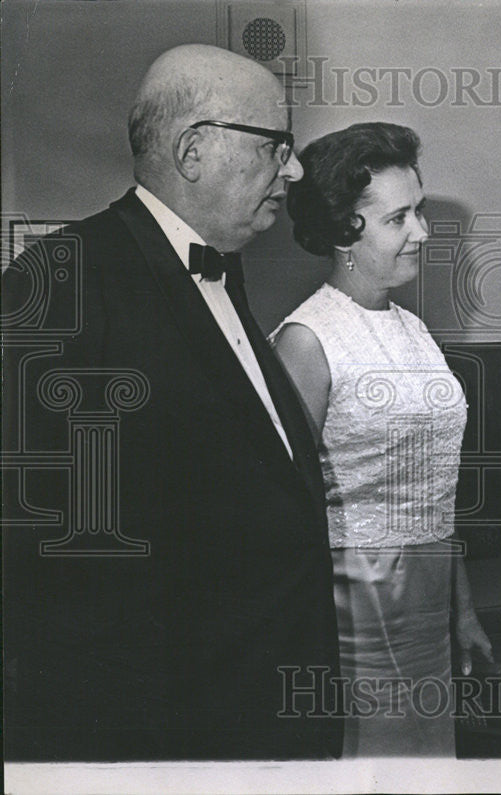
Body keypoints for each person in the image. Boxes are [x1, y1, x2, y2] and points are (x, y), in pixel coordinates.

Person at [1, 44, 342, 760]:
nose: (296, 169)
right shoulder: (63, 280)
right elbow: (42, 561)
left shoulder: (224, 273)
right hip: (171, 733)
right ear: (194, 150)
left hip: (260, 713)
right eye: (277, 145)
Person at [272, 122, 493, 757]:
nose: (422, 231)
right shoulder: (306, 340)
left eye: (419, 211)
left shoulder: (413, 330)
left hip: (427, 605)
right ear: (346, 229)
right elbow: (282, 511)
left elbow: (434, 493)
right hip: (353, 610)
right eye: (400, 218)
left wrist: (464, 613)